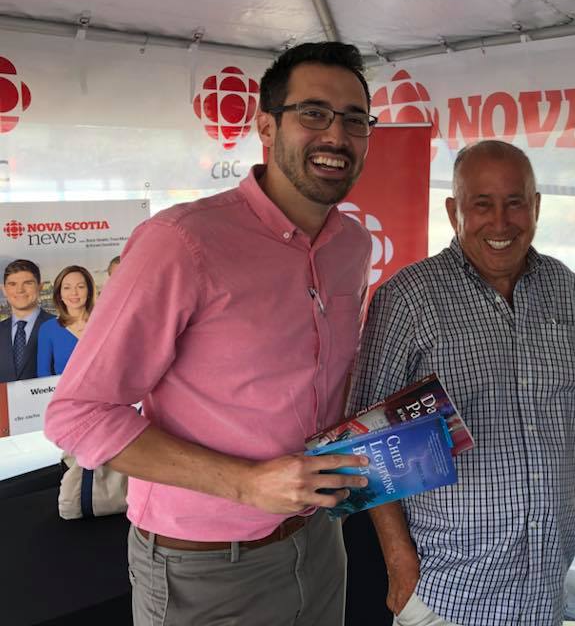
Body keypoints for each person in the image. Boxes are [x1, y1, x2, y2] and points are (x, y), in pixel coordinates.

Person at [44, 41, 378, 626]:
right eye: (314, 113)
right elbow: (77, 414)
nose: (337, 135)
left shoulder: (351, 243)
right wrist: (246, 484)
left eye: (355, 119)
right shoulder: (181, 242)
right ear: (266, 127)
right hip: (204, 569)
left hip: (321, 542)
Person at [348, 140, 575, 626]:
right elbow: (365, 440)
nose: (501, 222)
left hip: (546, 582)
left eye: (515, 202)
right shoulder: (409, 297)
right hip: (448, 590)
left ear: (536, 206)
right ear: (453, 211)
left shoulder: (567, 289)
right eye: (481, 204)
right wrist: (400, 565)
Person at [0, 259, 54, 382]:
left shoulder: (59, 327)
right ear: (4, 290)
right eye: (12, 284)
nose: (20, 290)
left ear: (40, 287)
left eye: (28, 283)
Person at [36, 265, 95, 376]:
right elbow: (43, 374)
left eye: (80, 287)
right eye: (67, 288)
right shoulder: (48, 329)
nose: (74, 293)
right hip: (64, 393)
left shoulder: (105, 325)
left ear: (89, 291)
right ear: (59, 294)